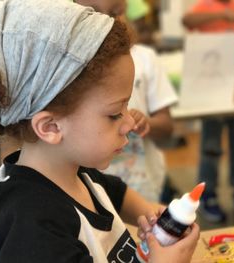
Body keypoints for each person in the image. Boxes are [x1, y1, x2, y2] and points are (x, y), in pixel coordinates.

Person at [0, 0, 200, 262]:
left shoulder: (73, 173)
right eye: (114, 113)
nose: (129, 123)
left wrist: (152, 215)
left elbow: (114, 192)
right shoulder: (31, 230)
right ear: (50, 127)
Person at [75, 0, 179, 203]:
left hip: (144, 185)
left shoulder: (146, 58)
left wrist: (146, 123)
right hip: (90, 189)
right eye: (92, 13)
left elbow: (167, 126)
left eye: (115, 13)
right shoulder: (73, 65)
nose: (106, 21)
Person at [182, 0, 234, 223]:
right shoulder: (204, 6)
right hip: (213, 89)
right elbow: (187, 20)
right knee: (211, 146)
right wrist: (222, 16)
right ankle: (208, 194)